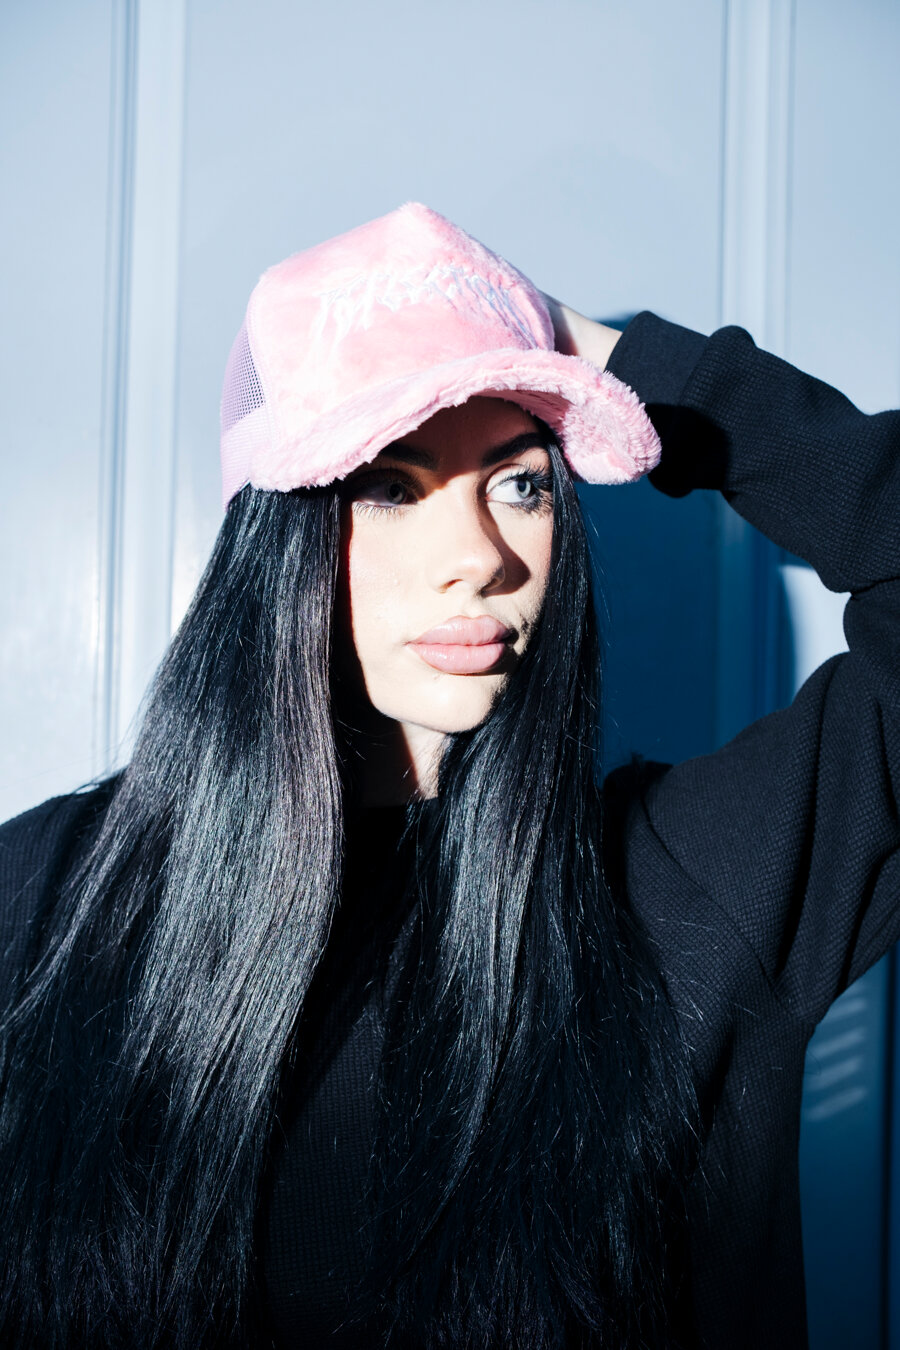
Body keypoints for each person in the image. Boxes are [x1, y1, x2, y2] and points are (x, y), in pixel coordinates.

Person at [0, 202, 896, 1350]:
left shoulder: (690, 888)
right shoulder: (47, 900)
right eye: (391, 484)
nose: (480, 558)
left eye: (521, 484)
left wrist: (603, 355)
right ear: (277, 536)